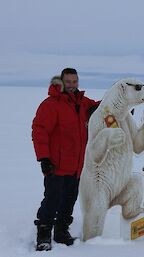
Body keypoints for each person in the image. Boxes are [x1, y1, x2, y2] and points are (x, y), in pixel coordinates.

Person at [32, 68, 99, 251]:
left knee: (70, 199)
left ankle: (61, 231)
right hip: (55, 164)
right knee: (52, 199)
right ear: (61, 82)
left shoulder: (83, 103)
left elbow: (102, 109)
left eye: (74, 81)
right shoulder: (51, 104)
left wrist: (119, 112)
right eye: (68, 82)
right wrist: (44, 158)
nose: (71, 85)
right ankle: (44, 233)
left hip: (77, 164)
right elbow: (39, 132)